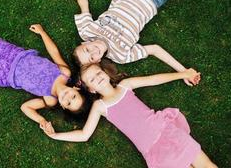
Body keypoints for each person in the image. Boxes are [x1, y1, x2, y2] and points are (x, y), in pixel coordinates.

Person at [44, 64, 217, 168]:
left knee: (206, 165)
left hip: (167, 132)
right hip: (153, 150)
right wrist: (55, 135)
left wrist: (183, 74)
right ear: (91, 89)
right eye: (92, 79)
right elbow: (84, 134)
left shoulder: (125, 86)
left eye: (98, 73)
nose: (97, 78)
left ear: (105, 72)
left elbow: (153, 79)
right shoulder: (100, 106)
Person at [67, 0, 195, 86]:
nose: (94, 51)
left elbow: (83, 4)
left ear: (84, 42)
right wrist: (183, 71)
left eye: (87, 50)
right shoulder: (121, 55)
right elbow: (154, 49)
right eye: (92, 58)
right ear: (98, 62)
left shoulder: (86, 31)